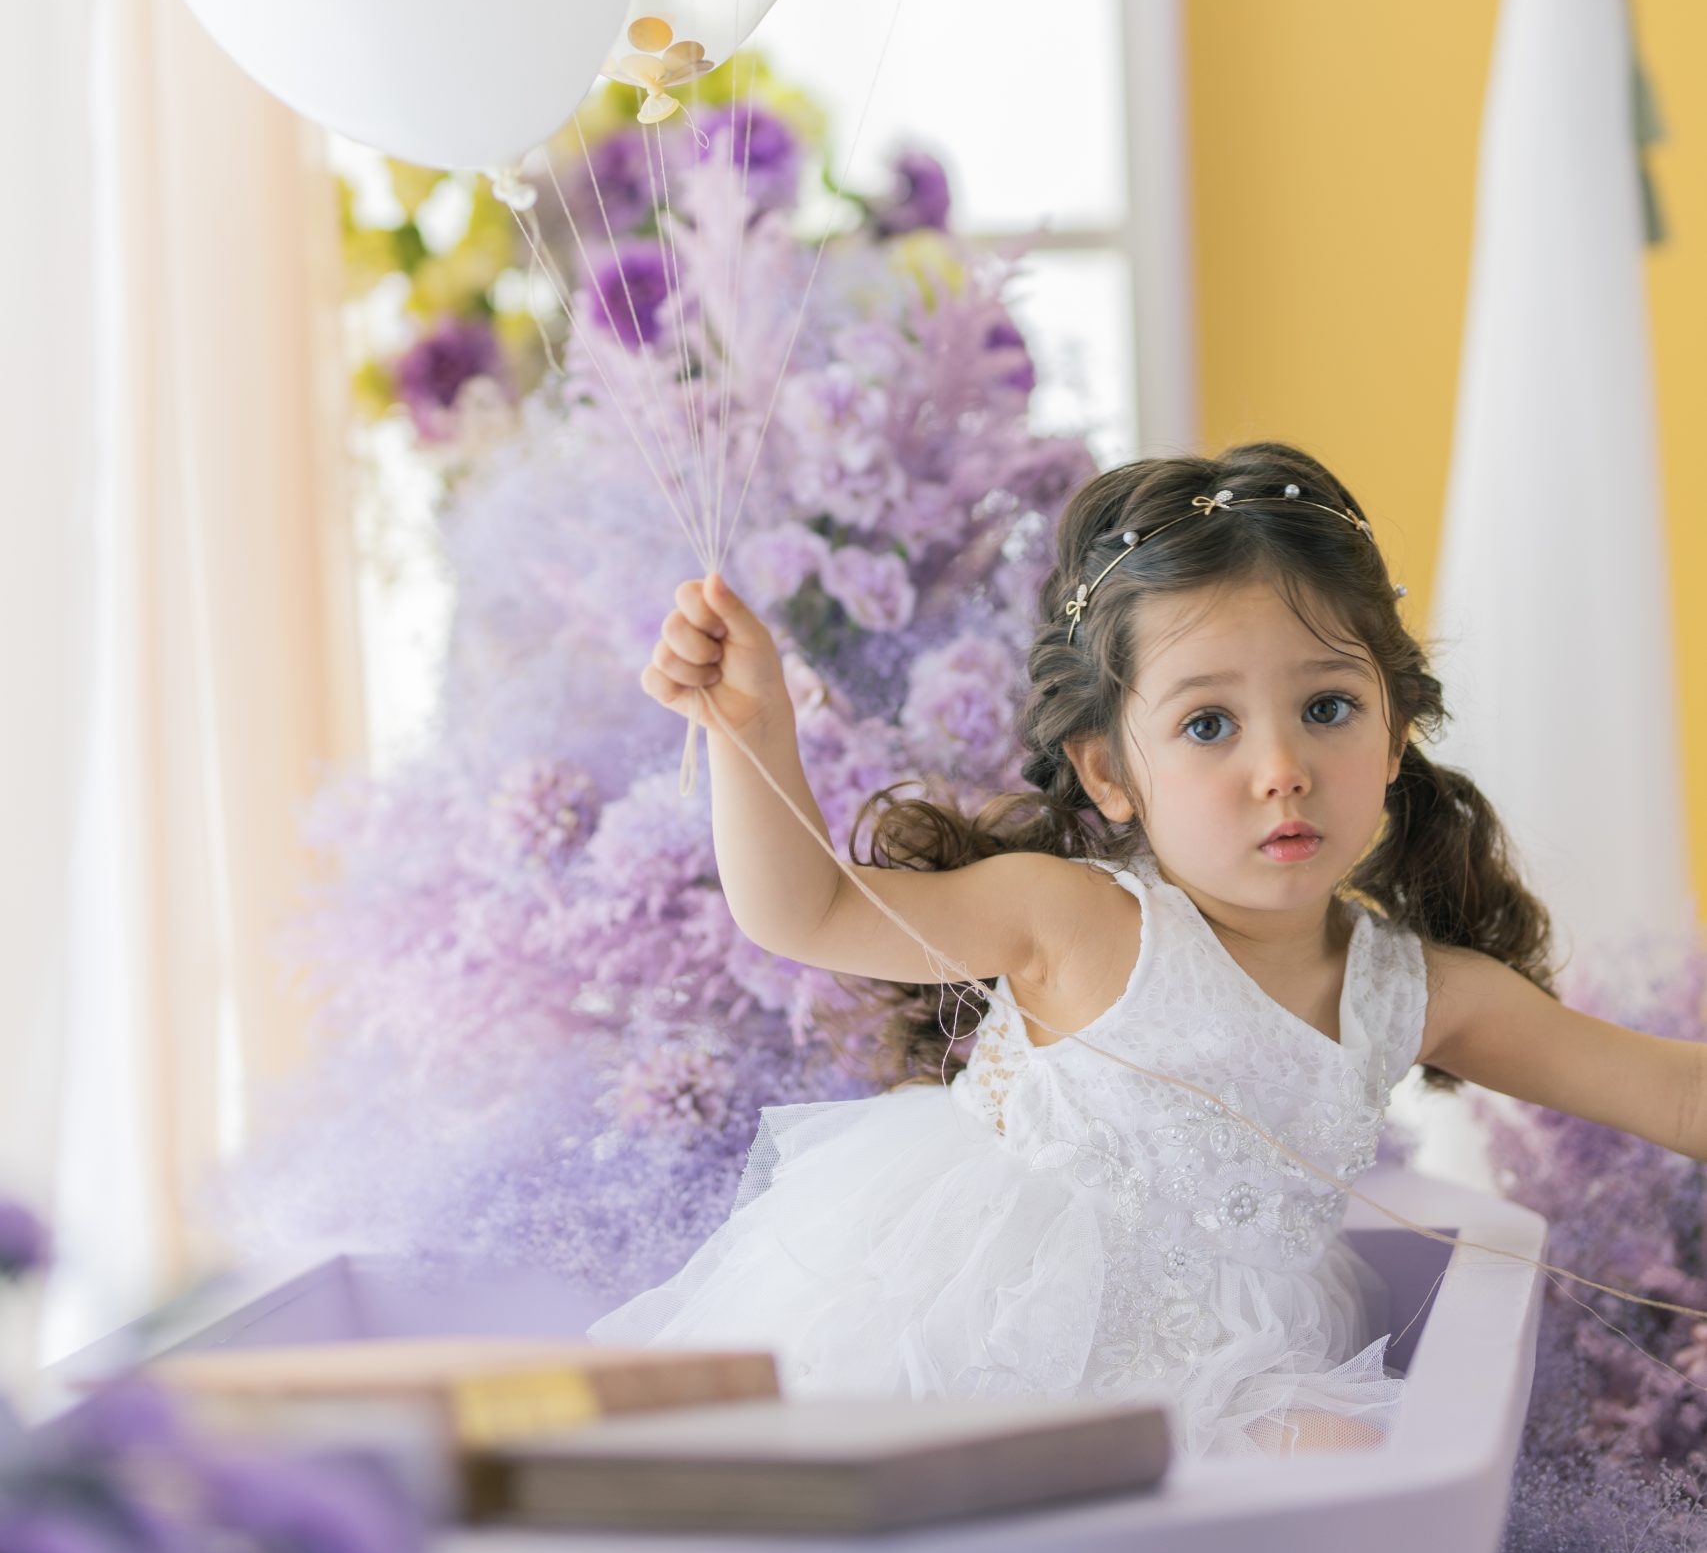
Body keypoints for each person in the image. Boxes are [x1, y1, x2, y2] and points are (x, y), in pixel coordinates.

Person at [589, 442, 1707, 1459]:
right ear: (1109, 772)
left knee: (1354, 1462)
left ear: (1396, 729)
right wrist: (752, 731)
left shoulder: (1414, 991)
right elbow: (808, 910)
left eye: (1328, 706)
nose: (1282, 766)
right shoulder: (1075, 923)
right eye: (1208, 725)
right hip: (997, 1340)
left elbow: (1669, 1093)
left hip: (1230, 1363)